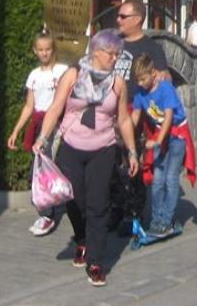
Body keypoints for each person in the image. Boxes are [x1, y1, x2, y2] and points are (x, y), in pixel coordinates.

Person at [33, 29, 139, 288]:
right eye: (110, 54)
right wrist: (42, 138)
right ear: (96, 52)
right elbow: (56, 107)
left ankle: (96, 261)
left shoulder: (117, 83)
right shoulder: (73, 75)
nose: (114, 59)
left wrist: (132, 151)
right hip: (71, 146)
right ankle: (81, 239)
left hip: (103, 148)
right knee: (74, 200)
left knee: (98, 204)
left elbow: (124, 119)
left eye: (117, 54)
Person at [112, 0, 170, 228]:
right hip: (110, 111)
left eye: (123, 16)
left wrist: (161, 78)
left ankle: (133, 212)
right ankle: (114, 208)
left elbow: (165, 78)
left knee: (132, 160)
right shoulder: (113, 43)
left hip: (134, 112)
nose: (118, 20)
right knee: (110, 162)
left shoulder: (151, 48)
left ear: (137, 19)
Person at [7, 31, 69, 237]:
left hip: (59, 124)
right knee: (42, 168)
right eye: (40, 50)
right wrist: (16, 130)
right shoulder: (34, 75)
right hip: (40, 125)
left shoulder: (62, 71)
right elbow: (29, 106)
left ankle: (71, 203)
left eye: (48, 49)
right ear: (35, 51)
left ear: (53, 50)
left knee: (62, 166)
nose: (44, 53)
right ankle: (46, 213)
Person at [131, 54, 194, 237]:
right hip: (161, 135)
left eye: (143, 79)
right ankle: (156, 219)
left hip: (177, 135)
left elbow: (168, 117)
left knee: (170, 178)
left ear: (153, 74)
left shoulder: (165, 88)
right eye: (138, 80)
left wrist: (158, 141)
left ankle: (166, 221)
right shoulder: (140, 92)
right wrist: (122, 129)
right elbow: (135, 117)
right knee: (157, 180)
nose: (140, 83)